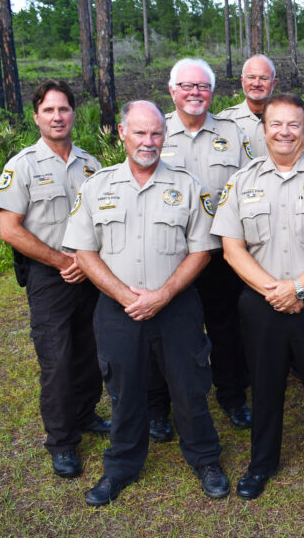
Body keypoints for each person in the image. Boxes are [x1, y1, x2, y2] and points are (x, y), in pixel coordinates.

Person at [63, 101, 229, 506]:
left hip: (176, 307)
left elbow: (201, 251)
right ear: (122, 133)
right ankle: (120, 466)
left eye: (156, 133)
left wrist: (164, 294)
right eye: (139, 132)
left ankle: (206, 459)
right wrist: (125, 297)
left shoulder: (188, 186)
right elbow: (84, 252)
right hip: (117, 310)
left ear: (164, 135)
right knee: (124, 391)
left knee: (190, 387)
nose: (148, 141)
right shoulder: (97, 186)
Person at [211, 93, 304, 500]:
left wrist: (297, 287)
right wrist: (274, 291)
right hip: (261, 303)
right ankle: (261, 463)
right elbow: (232, 249)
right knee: (264, 384)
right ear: (263, 130)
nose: (284, 132)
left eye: (293, 124)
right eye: (276, 124)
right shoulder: (242, 181)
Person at [0, 80, 108, 480]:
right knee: (56, 358)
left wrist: (88, 262)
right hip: (49, 275)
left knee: (90, 349)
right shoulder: (22, 166)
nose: (57, 117)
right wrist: (61, 260)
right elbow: (10, 229)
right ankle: (62, 442)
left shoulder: (92, 165)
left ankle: (86, 413)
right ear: (36, 117)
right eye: (49, 110)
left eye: (63, 109)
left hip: (90, 273)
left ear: (73, 114)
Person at [146, 58, 252, 444]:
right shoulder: (156, 131)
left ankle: (232, 396)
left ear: (213, 91)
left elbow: (248, 187)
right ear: (172, 90)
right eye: (187, 86)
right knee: (165, 333)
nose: (195, 93)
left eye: (203, 86)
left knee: (226, 328)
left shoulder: (232, 132)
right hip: (170, 255)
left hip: (220, 252)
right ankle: (158, 407)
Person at [217, 54, 278, 159]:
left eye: (264, 78)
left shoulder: (290, 120)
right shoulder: (223, 121)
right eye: (251, 77)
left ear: (273, 83)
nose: (257, 83)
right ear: (242, 81)